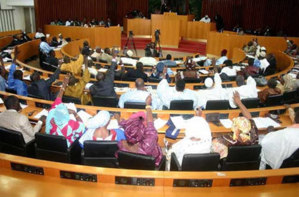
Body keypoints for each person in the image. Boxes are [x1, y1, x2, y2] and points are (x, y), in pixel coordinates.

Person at [117, 95, 163, 167]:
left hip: (131, 167)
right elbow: (150, 124)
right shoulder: (149, 142)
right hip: (151, 167)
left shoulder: (121, 144)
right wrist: (148, 105)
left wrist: (117, 118)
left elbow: (124, 124)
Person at [212, 92, 258, 158]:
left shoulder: (225, 139)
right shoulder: (253, 134)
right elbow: (249, 118)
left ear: (235, 128)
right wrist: (239, 102)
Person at [45, 75, 85, 147]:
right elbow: (82, 127)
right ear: (66, 114)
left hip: (54, 146)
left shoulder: (51, 114)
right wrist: (75, 114)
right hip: (68, 147)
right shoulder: (70, 124)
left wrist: (64, 85)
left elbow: (58, 100)